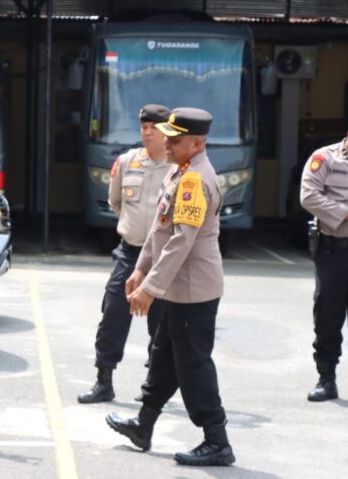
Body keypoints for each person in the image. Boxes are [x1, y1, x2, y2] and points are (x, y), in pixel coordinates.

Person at [106, 108, 235, 467]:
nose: (167, 142)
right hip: (176, 286)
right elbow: (159, 229)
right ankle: (143, 426)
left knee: (193, 364)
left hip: (194, 288)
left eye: (175, 139)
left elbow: (181, 241)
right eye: (168, 136)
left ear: (197, 143)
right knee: (164, 354)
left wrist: (149, 286)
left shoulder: (195, 179)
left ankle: (217, 439)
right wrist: (141, 269)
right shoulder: (179, 171)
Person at [78, 104, 170, 404]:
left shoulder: (177, 167)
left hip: (162, 258)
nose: (146, 132)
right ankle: (104, 380)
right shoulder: (127, 161)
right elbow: (116, 202)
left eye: (153, 127)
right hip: (129, 253)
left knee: (161, 323)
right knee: (113, 314)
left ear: (166, 131)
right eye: (143, 127)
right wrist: (132, 228)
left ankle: (153, 387)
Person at [300, 114, 348, 403]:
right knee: (327, 316)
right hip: (332, 250)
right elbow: (308, 197)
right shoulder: (324, 159)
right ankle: (326, 379)